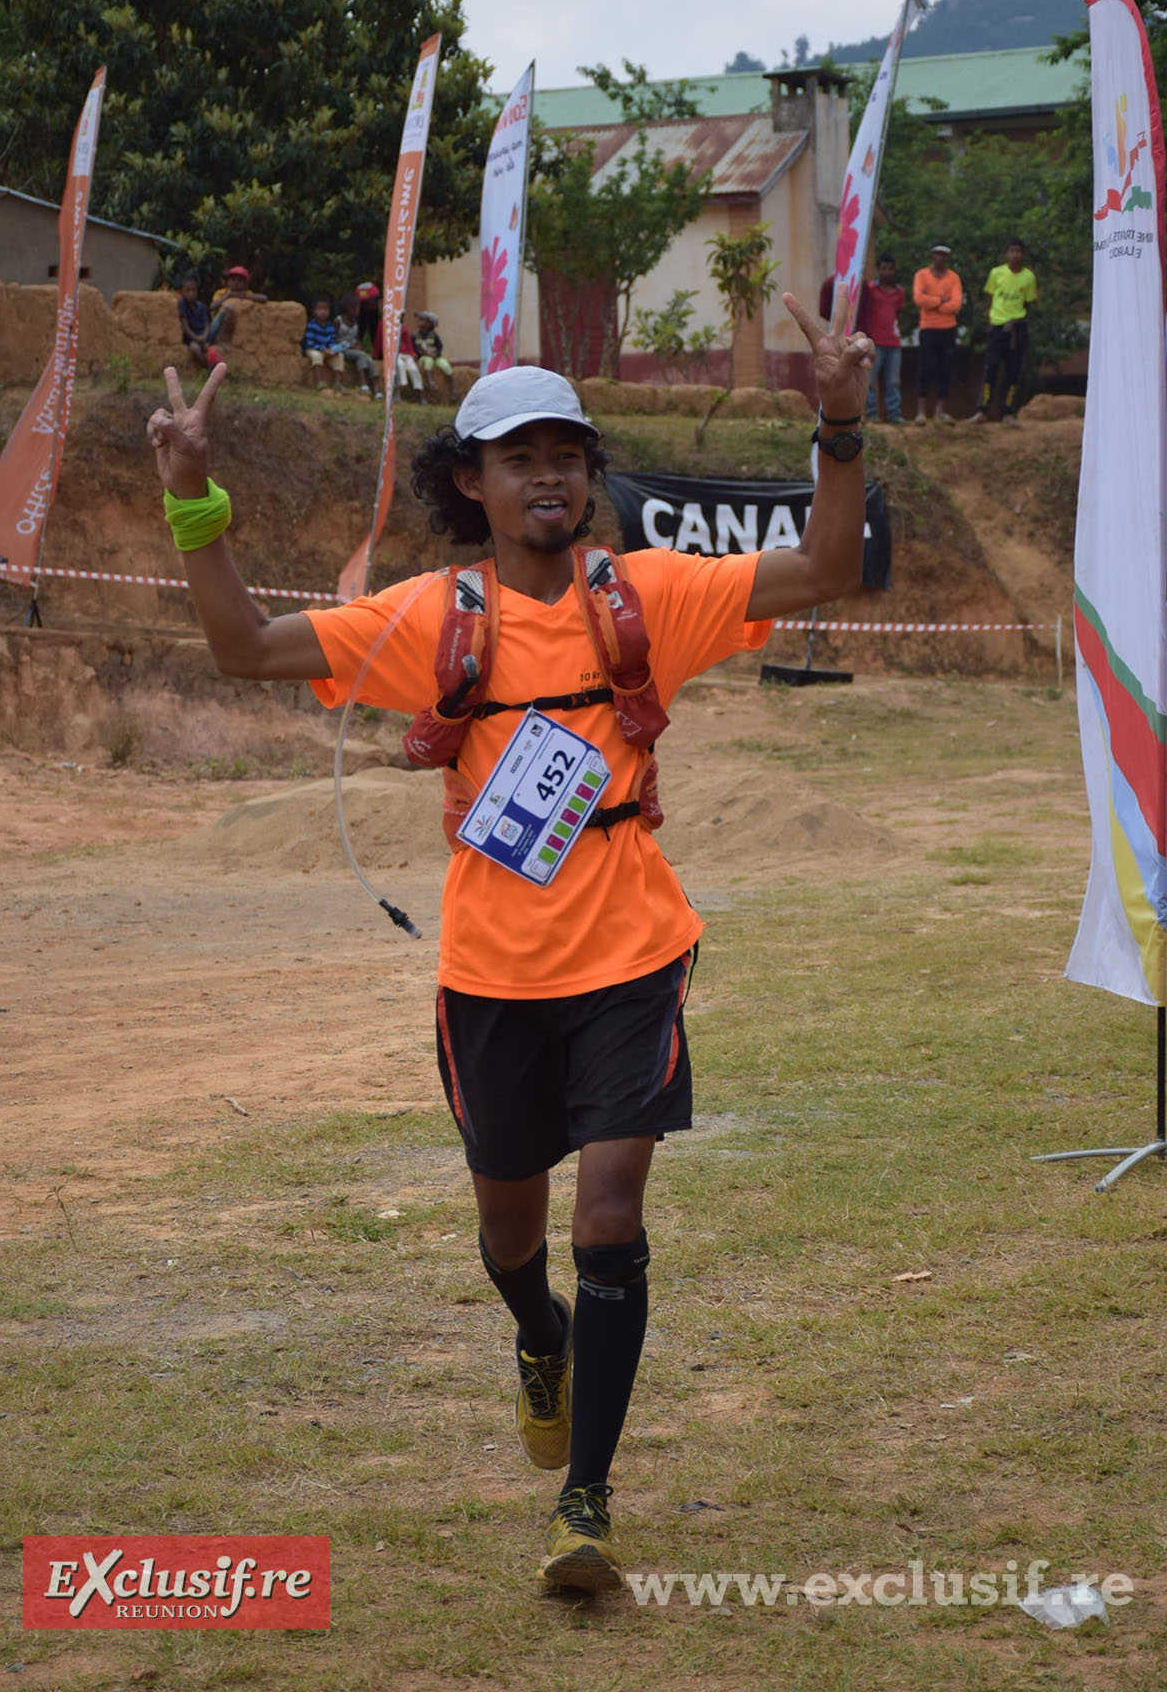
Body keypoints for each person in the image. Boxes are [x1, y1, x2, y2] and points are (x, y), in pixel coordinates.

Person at [145, 288, 872, 1594]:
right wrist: (195, 503)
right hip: (489, 976)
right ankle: (537, 1336)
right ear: (470, 481)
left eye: (567, 453)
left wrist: (840, 425)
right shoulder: (433, 618)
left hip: (634, 954)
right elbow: (244, 646)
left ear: (591, 474)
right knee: (511, 1239)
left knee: (610, 1213)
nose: (549, 474)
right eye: (518, 456)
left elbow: (823, 571)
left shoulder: (646, 591)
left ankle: (583, 1507)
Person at [968, 239, 1038, 425]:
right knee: (990, 368)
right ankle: (982, 410)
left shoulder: (1028, 277)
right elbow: (990, 298)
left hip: (1017, 327)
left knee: (1013, 371)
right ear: (1006, 254)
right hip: (997, 325)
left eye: (1018, 251)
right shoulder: (996, 273)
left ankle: (1008, 412)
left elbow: (1028, 303)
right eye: (1011, 251)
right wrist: (990, 322)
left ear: (1022, 254)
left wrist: (1015, 320)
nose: (1015, 255)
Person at [912, 243, 962, 424]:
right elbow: (919, 299)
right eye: (937, 254)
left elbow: (956, 304)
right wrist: (941, 301)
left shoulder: (954, 277)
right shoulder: (921, 275)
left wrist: (932, 301)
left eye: (944, 255)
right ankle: (921, 412)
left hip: (948, 328)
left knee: (946, 369)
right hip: (928, 327)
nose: (940, 258)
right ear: (932, 255)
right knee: (926, 367)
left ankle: (940, 411)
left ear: (947, 257)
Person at [858, 255, 905, 424]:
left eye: (890, 269)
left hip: (893, 342)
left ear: (894, 270)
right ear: (878, 270)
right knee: (870, 380)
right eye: (883, 268)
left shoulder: (899, 292)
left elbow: (898, 314)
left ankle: (894, 415)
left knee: (893, 381)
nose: (887, 272)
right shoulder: (870, 289)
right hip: (875, 342)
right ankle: (871, 414)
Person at [206, 264, 267, 352]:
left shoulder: (247, 293)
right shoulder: (221, 292)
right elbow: (212, 307)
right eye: (233, 280)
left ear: (245, 283)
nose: (236, 283)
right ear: (228, 281)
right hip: (215, 330)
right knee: (228, 309)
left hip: (236, 335)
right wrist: (228, 296)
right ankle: (219, 339)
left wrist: (244, 296)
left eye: (240, 281)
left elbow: (264, 298)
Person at [336, 292, 379, 396]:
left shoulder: (355, 322)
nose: (357, 311)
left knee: (368, 358)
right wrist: (348, 346)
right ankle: (363, 384)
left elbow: (357, 338)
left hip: (354, 349)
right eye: (355, 308)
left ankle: (376, 389)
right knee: (361, 356)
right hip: (342, 349)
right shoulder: (338, 321)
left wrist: (358, 345)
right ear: (347, 308)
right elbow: (334, 339)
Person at [302, 295, 344, 393]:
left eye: (326, 309)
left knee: (339, 356)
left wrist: (333, 350)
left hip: (326, 350)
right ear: (314, 311)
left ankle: (338, 383)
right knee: (317, 356)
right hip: (313, 349)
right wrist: (322, 349)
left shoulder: (330, 326)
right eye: (320, 309)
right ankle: (319, 381)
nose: (323, 312)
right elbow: (309, 343)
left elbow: (332, 341)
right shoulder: (311, 325)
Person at [413, 310, 456, 402]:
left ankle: (453, 388)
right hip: (423, 357)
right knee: (428, 362)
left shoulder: (434, 335)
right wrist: (420, 353)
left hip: (435, 357)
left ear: (429, 324)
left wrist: (436, 354)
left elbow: (439, 347)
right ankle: (430, 382)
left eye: (422, 320)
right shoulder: (415, 335)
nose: (419, 322)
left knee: (445, 365)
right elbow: (414, 348)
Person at [177, 276, 211, 371]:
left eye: (193, 290)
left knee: (209, 349)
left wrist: (204, 337)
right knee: (195, 349)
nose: (191, 293)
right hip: (191, 338)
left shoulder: (202, 307)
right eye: (187, 291)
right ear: (181, 292)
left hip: (202, 337)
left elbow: (207, 325)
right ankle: (205, 368)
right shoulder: (182, 304)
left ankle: (213, 368)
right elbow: (185, 326)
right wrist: (195, 338)